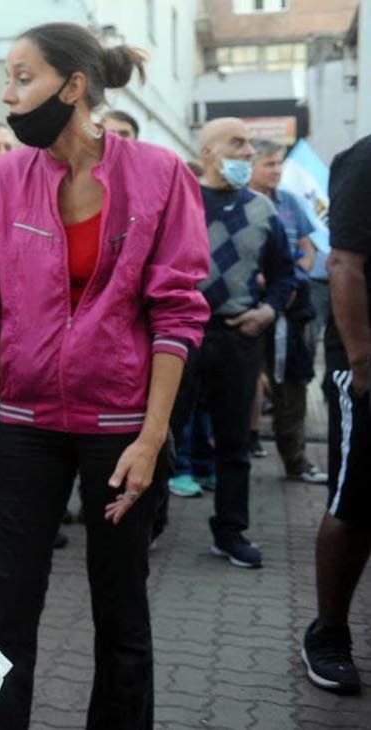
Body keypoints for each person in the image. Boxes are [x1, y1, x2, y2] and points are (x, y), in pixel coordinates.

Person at [0, 23, 209, 730]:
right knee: (7, 609)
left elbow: (177, 315)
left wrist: (151, 439)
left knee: (121, 609)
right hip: (26, 429)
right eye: (6, 79)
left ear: (73, 87)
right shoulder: (2, 181)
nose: (8, 96)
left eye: (22, 77)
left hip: (120, 430)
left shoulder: (160, 176)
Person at [168, 118, 298, 571]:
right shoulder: (178, 204)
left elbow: (286, 274)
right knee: (163, 434)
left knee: (234, 443)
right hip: (179, 338)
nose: (247, 152)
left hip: (237, 336)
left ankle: (231, 531)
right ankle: (148, 525)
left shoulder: (263, 210)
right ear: (208, 151)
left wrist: (268, 311)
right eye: (236, 143)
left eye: (248, 144)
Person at [302, 133, 371, 695]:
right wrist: (362, 366)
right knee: (354, 504)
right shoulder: (365, 159)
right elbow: (344, 262)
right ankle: (329, 633)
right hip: (365, 367)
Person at [249, 138, 326, 484]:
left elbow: (307, 251)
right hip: (248, 307)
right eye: (268, 164)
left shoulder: (292, 203)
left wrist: (290, 282)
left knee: (293, 384)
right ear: (251, 166)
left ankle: (296, 460)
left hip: (292, 310)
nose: (276, 170)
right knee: (241, 383)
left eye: (279, 164)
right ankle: (224, 460)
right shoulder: (239, 203)